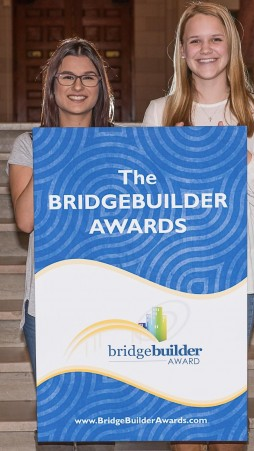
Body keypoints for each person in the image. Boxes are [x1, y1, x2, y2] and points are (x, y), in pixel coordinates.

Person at [143, 2, 254, 451]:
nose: (206, 49)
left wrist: (238, 155)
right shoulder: (160, 111)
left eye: (215, 38)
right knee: (180, 388)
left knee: (224, 387)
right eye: (195, 40)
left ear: (232, 47)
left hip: (236, 269)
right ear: (182, 52)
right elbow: (144, 202)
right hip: (173, 271)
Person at [8, 37, 114, 381]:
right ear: (52, 86)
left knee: (101, 419)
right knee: (56, 419)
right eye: (67, 77)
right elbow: (26, 220)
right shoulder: (31, 145)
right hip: (50, 301)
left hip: (112, 300)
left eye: (88, 76)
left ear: (101, 85)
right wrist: (57, 151)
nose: (78, 86)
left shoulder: (122, 144)